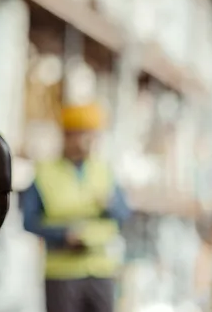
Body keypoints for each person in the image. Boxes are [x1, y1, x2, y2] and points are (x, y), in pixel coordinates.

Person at [20, 103, 131, 312]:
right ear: (69, 136)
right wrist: (62, 235)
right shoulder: (45, 173)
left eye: (94, 136)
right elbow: (28, 221)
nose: (91, 143)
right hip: (62, 273)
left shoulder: (104, 171)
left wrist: (111, 205)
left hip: (100, 270)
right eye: (85, 136)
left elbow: (124, 213)